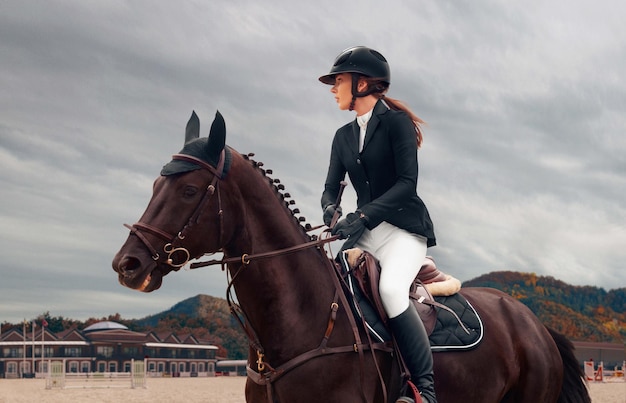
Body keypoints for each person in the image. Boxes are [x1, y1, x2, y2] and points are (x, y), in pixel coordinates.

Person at [319, 46, 437, 403]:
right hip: (364, 233)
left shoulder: (396, 123)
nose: (332, 88)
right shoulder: (342, 136)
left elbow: (407, 184)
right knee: (326, 288)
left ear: (363, 83)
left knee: (389, 291)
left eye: (338, 80)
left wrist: (364, 216)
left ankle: (426, 391)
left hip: (403, 230)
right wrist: (330, 212)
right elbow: (330, 189)